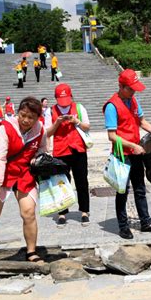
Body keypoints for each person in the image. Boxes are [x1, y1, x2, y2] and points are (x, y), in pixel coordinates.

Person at [0, 97, 47, 270]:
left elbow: (43, 149)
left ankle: (31, 252)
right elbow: (0, 157)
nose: (26, 120)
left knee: (28, 213)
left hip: (24, 173)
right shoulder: (6, 127)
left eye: (31, 117)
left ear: (37, 118)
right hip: (2, 172)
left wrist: (37, 159)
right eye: (23, 115)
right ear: (18, 112)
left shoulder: (40, 129)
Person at [103, 69, 151, 239]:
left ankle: (145, 222)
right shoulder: (112, 106)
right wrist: (132, 145)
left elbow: (141, 121)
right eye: (130, 89)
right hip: (122, 155)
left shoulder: (134, 101)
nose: (133, 92)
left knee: (140, 188)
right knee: (122, 191)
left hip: (136, 152)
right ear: (121, 86)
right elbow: (112, 135)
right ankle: (123, 226)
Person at [46, 84, 91, 227]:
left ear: (71, 96)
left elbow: (87, 126)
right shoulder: (50, 111)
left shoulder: (79, 108)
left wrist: (76, 121)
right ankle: (62, 212)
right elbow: (48, 133)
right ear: (56, 98)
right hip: (60, 150)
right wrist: (57, 122)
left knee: (82, 180)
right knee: (60, 183)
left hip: (78, 149)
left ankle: (84, 211)